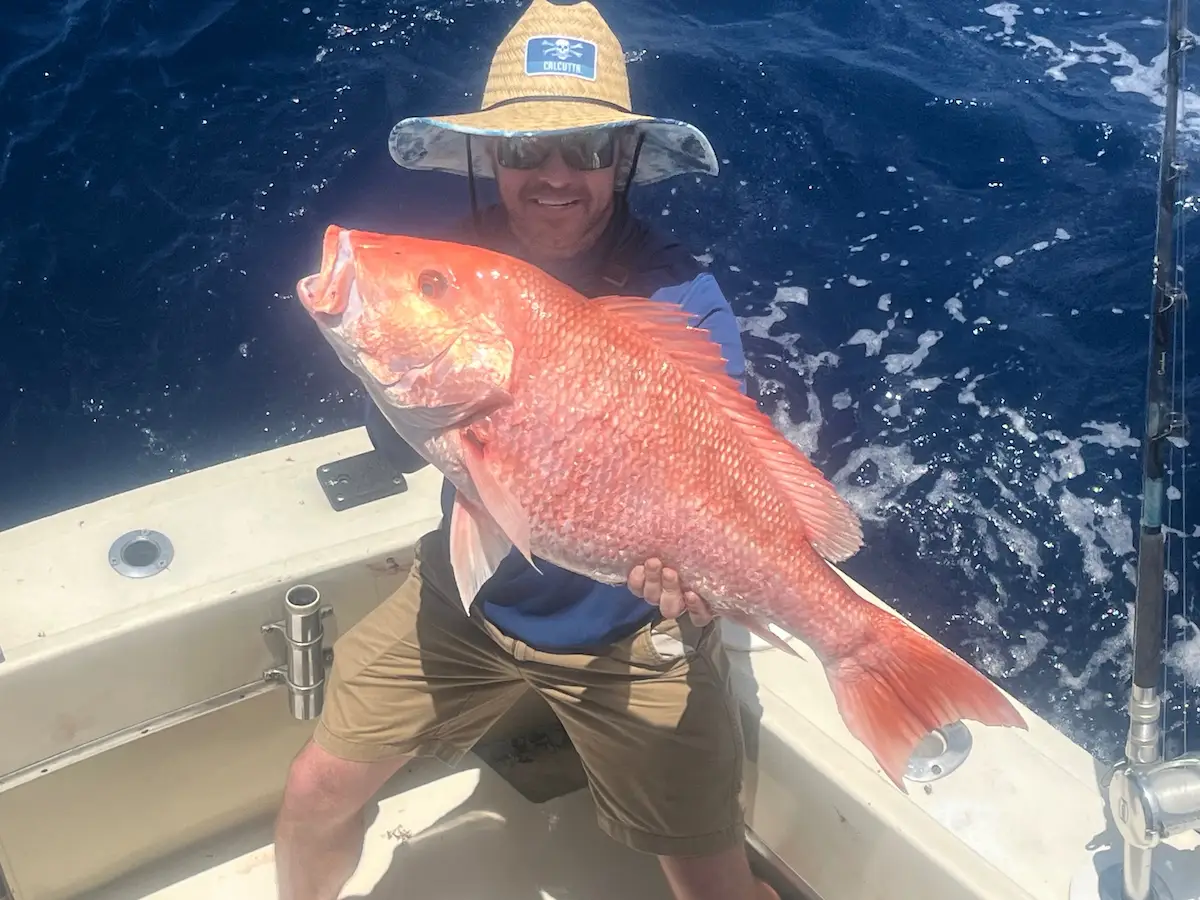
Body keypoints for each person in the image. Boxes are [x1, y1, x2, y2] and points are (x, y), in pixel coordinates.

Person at [274, 2, 778, 899]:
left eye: (585, 148)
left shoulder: (678, 297)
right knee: (316, 789)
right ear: (489, 158)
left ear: (623, 159)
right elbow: (405, 449)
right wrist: (389, 358)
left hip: (631, 634)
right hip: (466, 600)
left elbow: (723, 461)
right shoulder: (466, 271)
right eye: (524, 150)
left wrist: (692, 576)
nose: (554, 175)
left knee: (712, 883)